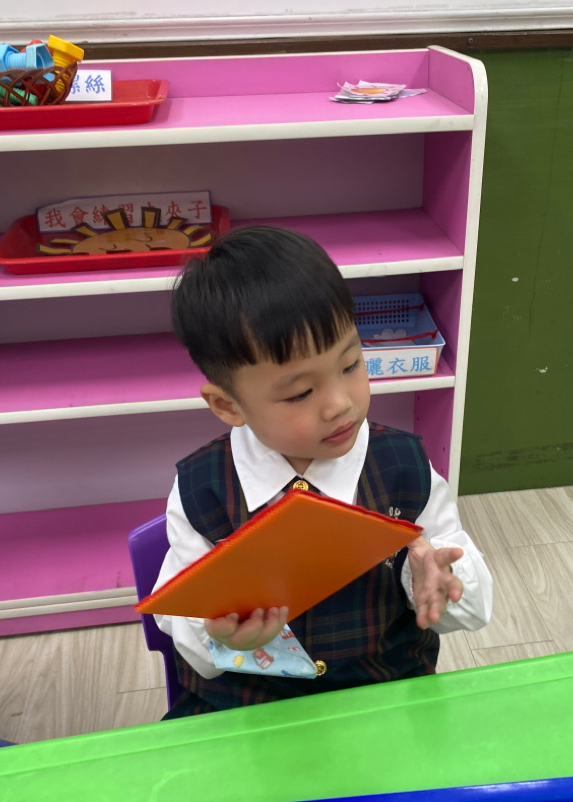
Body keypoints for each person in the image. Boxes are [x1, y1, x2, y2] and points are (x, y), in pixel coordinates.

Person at [153, 225, 492, 716]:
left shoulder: (405, 471)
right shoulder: (201, 492)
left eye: (351, 365)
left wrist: (438, 581)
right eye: (299, 394)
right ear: (228, 405)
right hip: (249, 712)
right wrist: (219, 633)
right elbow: (181, 624)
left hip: (381, 704)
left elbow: (470, 609)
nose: (339, 404)